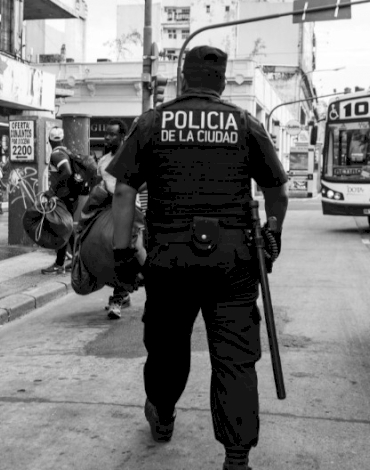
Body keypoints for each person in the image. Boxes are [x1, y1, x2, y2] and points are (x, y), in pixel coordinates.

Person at [107, 46, 289, 470]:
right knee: (235, 358)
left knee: (167, 348)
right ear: (223, 83)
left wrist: (121, 255)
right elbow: (277, 192)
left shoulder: (153, 121)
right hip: (234, 263)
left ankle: (164, 414)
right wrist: (273, 233)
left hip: (169, 260)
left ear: (182, 80)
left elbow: (122, 192)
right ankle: (237, 455)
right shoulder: (245, 124)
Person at [95, 119, 138, 319]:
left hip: (126, 210)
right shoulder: (103, 161)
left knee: (122, 250)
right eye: (106, 134)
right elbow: (98, 184)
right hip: (105, 208)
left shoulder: (131, 158)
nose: (108, 138)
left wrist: (125, 192)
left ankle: (118, 298)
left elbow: (144, 183)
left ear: (122, 137)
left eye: (112, 134)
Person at [40, 127, 84, 274]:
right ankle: (77, 260)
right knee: (68, 228)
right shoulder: (66, 151)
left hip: (64, 197)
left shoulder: (57, 154)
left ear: (49, 140)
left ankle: (59, 264)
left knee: (61, 228)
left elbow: (66, 171)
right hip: (71, 196)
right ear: (62, 138)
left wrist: (52, 191)